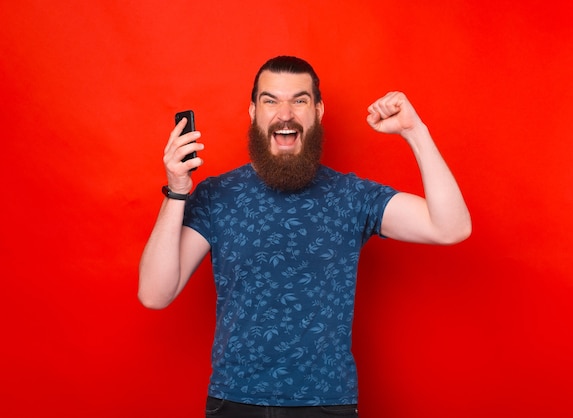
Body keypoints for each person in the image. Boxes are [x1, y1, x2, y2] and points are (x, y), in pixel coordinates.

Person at [139, 56, 471, 417]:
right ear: (253, 112)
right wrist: (177, 190)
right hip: (234, 401)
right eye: (270, 100)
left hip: (326, 403)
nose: (285, 113)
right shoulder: (219, 195)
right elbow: (155, 294)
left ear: (317, 111)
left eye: (299, 100)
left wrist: (414, 132)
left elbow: (451, 227)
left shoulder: (350, 196)